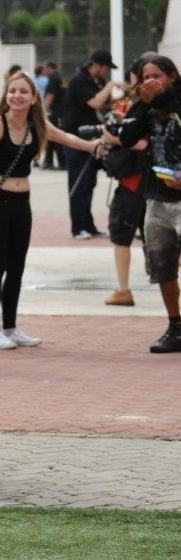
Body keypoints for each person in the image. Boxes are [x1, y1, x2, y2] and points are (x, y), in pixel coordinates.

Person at [0, 72, 103, 349]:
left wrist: (92, 146)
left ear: (33, 97)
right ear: (6, 95)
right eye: (12, 91)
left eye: (23, 92)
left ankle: (12, 327)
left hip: (22, 204)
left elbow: (65, 138)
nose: (17, 96)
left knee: (16, 268)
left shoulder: (36, 125)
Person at [112, 53, 181, 354]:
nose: (151, 81)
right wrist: (142, 103)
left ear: (172, 76)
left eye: (157, 75)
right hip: (157, 197)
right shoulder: (146, 107)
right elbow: (127, 137)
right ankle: (175, 326)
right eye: (145, 77)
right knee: (162, 267)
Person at [101, 59, 150, 307]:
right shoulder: (160, 106)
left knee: (122, 235)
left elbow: (141, 144)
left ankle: (124, 289)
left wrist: (113, 136)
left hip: (135, 181)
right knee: (161, 240)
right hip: (152, 182)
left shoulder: (143, 106)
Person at [61, 50, 120, 238]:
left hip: (93, 139)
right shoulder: (80, 80)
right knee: (79, 183)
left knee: (89, 183)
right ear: (98, 65)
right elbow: (95, 102)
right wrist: (111, 85)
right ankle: (78, 227)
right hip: (76, 139)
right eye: (105, 69)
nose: (106, 72)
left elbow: (104, 104)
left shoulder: (97, 82)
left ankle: (88, 223)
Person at [41, 61, 66, 170]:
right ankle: (49, 161)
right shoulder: (60, 79)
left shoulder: (53, 80)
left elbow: (49, 97)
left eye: (45, 68)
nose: (43, 71)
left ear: (50, 68)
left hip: (55, 113)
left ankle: (59, 162)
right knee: (53, 138)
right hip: (61, 112)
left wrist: (42, 112)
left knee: (54, 137)